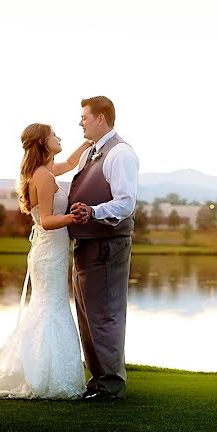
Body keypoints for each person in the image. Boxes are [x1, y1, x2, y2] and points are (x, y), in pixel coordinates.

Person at [0, 124, 91, 399]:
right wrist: (74, 218)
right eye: (55, 135)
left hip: (50, 251)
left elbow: (72, 163)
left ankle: (44, 372)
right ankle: (45, 378)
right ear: (43, 142)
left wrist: (88, 144)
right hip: (49, 252)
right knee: (51, 308)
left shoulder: (45, 172)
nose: (60, 138)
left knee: (48, 306)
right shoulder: (43, 176)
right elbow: (49, 220)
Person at [68, 96, 139, 401]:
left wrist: (93, 212)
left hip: (108, 244)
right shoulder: (89, 155)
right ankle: (98, 382)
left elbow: (125, 203)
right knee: (87, 314)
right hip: (86, 243)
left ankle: (111, 384)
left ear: (101, 118)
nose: (80, 122)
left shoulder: (120, 153)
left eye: (84, 116)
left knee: (106, 312)